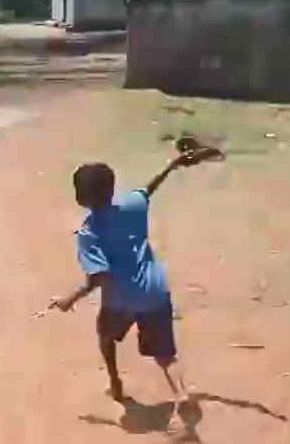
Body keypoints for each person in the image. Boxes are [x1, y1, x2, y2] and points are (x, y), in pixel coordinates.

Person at [49, 155, 194, 425]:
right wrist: (172, 164)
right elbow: (150, 187)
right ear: (112, 188)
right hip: (155, 291)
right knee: (165, 355)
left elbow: (98, 278)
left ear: (81, 198)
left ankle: (115, 382)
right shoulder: (132, 206)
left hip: (121, 299)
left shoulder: (89, 233)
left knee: (105, 335)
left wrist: (69, 299)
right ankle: (181, 394)